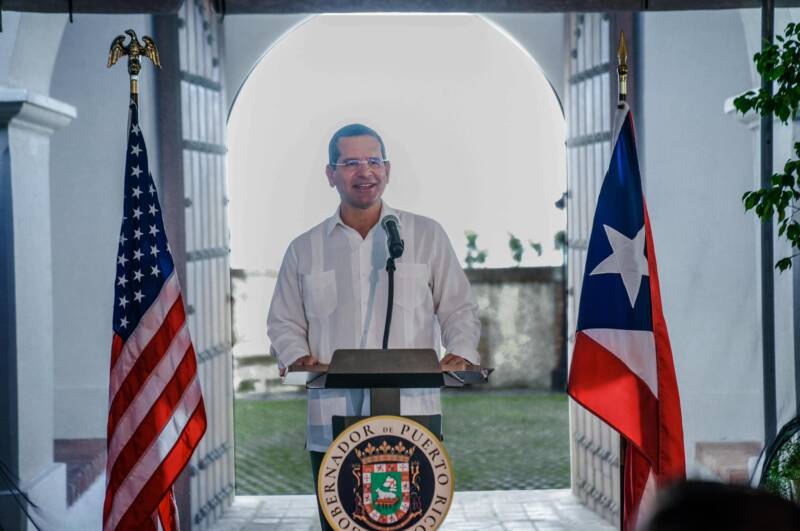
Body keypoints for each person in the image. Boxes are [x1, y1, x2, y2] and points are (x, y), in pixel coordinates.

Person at [266, 123, 480, 529]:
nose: (365, 171)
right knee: (341, 523)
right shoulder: (304, 248)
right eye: (350, 163)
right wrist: (299, 356)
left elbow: (459, 309)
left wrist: (461, 352)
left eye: (373, 160)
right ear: (331, 174)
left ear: (388, 169)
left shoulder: (426, 235)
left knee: (410, 522)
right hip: (334, 419)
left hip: (412, 418)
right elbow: (283, 320)